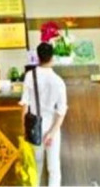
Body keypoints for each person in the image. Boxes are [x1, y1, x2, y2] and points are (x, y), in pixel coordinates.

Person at [20, 43, 68, 187]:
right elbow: (61, 111)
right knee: (54, 168)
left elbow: (25, 106)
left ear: (38, 57)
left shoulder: (30, 76)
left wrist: (25, 128)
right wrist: (52, 133)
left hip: (34, 126)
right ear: (52, 58)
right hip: (52, 125)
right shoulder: (58, 81)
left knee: (36, 166)